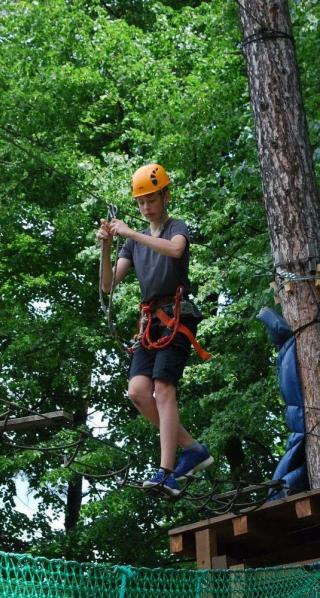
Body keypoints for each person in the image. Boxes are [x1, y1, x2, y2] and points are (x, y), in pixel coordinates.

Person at [97, 163, 213, 496]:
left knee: (163, 388)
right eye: (140, 202)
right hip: (150, 322)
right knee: (137, 391)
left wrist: (132, 233)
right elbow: (108, 286)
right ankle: (192, 448)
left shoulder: (177, 226)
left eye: (151, 199)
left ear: (165, 196)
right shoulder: (131, 246)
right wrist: (107, 245)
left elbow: (176, 249)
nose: (146, 207)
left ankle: (167, 472)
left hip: (177, 315)